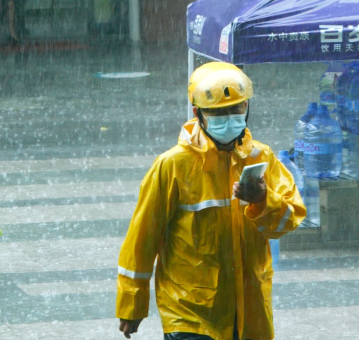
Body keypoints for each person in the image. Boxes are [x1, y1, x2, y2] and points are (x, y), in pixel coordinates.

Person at [116, 62, 307, 340]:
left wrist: (264, 201)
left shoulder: (261, 159)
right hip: (190, 312)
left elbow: (289, 221)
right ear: (198, 113)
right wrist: (132, 302)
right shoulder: (172, 166)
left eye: (236, 109)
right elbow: (142, 238)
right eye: (218, 112)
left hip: (250, 313)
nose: (229, 118)